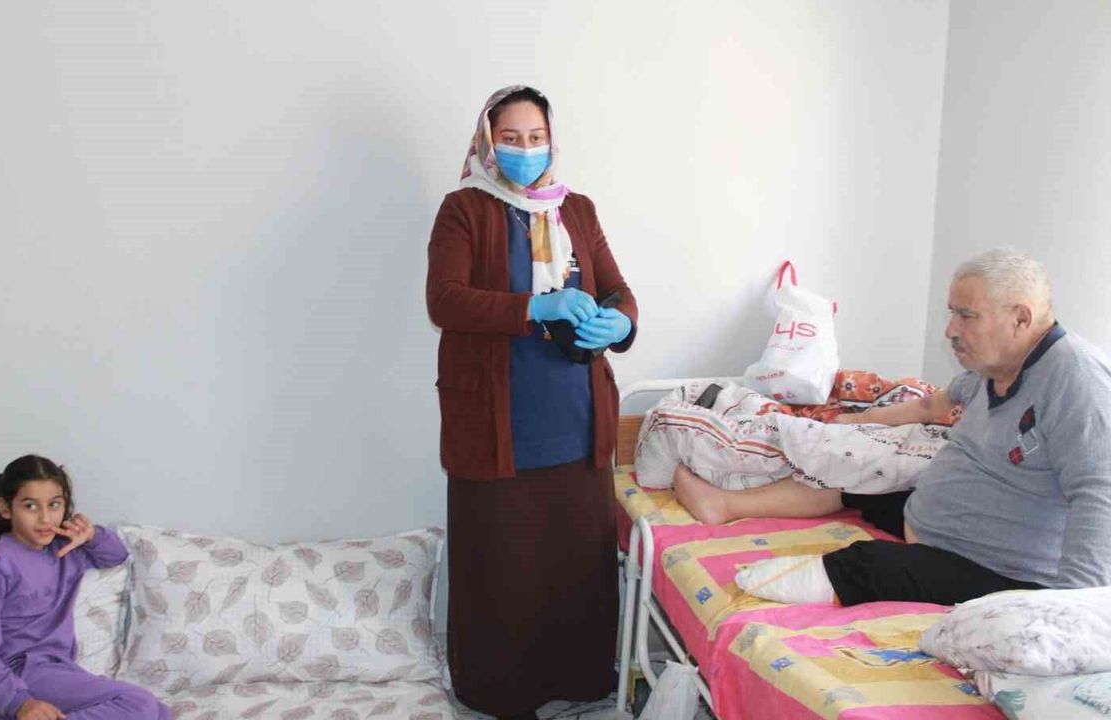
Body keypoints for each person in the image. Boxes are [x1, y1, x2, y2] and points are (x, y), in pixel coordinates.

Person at [674, 249, 1111, 607]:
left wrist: (1072, 612)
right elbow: (929, 406)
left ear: (1020, 318)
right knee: (854, 475)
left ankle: (746, 589)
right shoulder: (994, 367)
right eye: (951, 314)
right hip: (933, 520)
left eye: (966, 316)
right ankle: (725, 505)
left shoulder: (1076, 380)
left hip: (998, 569)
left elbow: (1100, 495)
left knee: (866, 565)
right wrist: (849, 422)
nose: (951, 330)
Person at [426, 85, 638, 719]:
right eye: (511, 139)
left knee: (574, 562)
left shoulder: (579, 210)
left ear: (552, 140)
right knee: (504, 566)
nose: (526, 150)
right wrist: (534, 308)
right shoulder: (464, 209)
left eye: (536, 137)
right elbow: (445, 299)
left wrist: (621, 322)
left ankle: (578, 682)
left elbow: (618, 288)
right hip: (497, 425)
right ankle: (502, 694)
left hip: (577, 420)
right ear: (489, 143)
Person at [0, 455, 170, 720]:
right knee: (139, 704)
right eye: (30, 506)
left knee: (160, 712)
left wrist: (91, 535)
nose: (45, 518)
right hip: (16, 683)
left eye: (54, 504)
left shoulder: (66, 550)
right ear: (6, 508)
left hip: (56, 674)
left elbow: (116, 556)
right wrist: (19, 703)